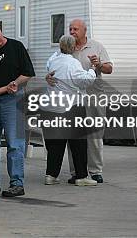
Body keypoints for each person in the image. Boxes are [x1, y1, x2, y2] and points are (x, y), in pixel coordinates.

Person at [46, 18, 113, 183]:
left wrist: (97, 65)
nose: (72, 32)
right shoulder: (66, 50)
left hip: (95, 98)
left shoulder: (96, 46)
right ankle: (76, 171)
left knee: (95, 136)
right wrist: (48, 76)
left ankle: (95, 170)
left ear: (84, 31)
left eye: (75, 29)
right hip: (74, 102)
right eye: (70, 29)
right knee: (74, 137)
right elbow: (51, 68)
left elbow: (109, 68)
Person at [0, 19, 35, 197]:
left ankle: (17, 183)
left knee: (15, 143)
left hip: (13, 100)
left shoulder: (16, 47)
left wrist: (15, 83)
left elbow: (28, 73)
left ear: (1, 30)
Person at [42, 35, 98, 186]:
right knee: (78, 143)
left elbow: (49, 69)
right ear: (73, 48)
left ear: (60, 47)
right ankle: (81, 176)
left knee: (55, 144)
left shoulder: (52, 60)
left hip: (52, 108)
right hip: (71, 107)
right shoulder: (73, 63)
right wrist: (92, 70)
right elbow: (84, 81)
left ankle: (51, 175)